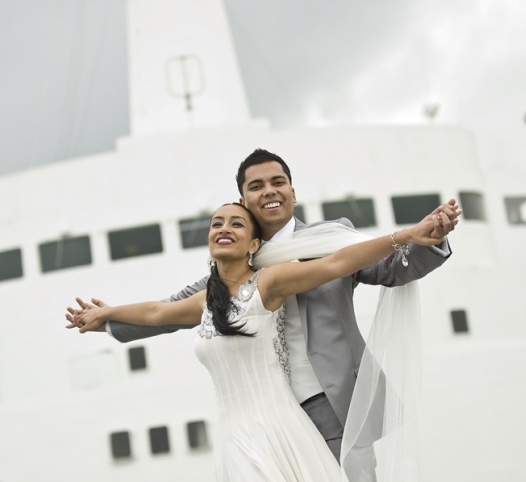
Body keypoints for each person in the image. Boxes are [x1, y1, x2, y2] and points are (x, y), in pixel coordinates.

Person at [70, 149, 459, 465]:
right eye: (256, 186)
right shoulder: (233, 265)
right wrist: (108, 318)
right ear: (245, 199)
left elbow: (384, 267)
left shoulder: (328, 238)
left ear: (293, 191)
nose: (269, 191)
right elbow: (168, 310)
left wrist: (426, 241)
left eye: (278, 182)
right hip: (266, 414)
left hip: (331, 400)